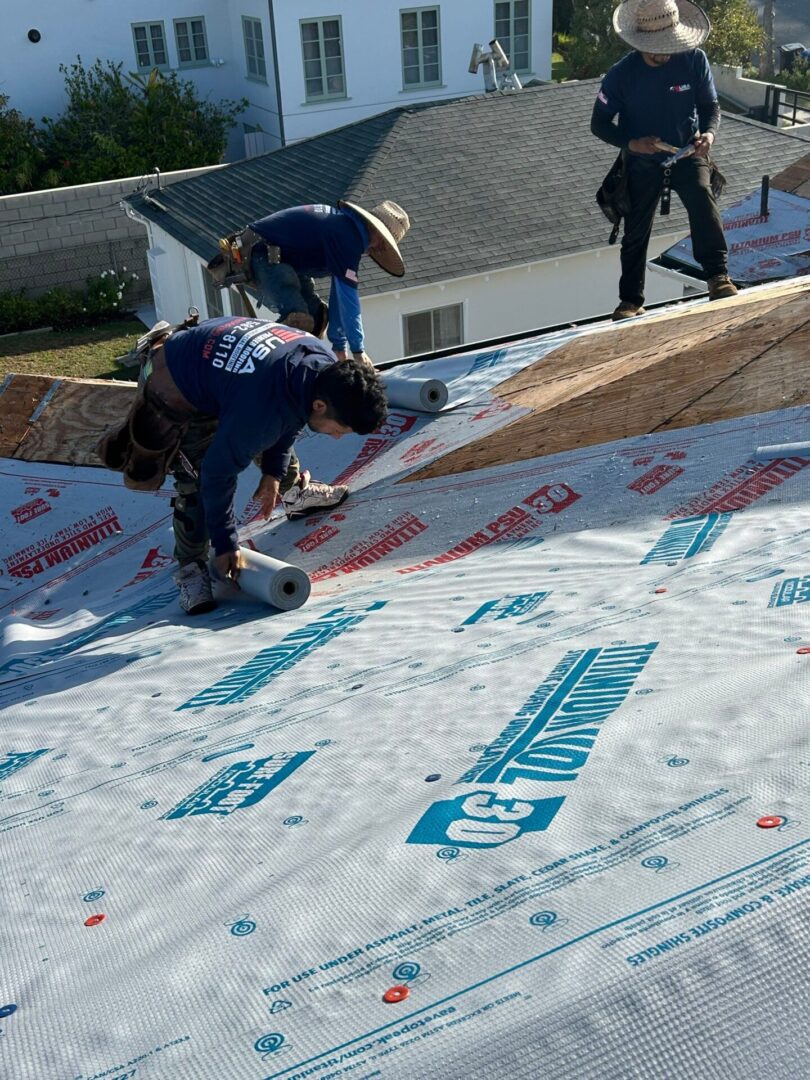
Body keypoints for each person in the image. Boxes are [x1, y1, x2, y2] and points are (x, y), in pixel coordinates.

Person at [98, 317, 388, 615]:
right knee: (196, 479)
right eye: (341, 429)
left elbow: (294, 414)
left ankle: (292, 492)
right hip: (172, 382)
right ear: (321, 406)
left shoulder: (323, 368)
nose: (338, 437)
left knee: (272, 431)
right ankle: (191, 567)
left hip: (227, 375)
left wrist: (273, 474)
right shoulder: (261, 411)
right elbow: (217, 473)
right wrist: (226, 544)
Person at [591, 0, 739, 320]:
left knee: (703, 200)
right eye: (658, 49)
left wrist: (709, 135)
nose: (665, 53)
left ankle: (717, 276)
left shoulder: (694, 60)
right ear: (640, 42)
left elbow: (711, 107)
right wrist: (632, 143)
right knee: (635, 230)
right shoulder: (621, 75)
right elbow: (599, 124)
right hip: (641, 160)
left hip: (687, 151)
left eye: (670, 46)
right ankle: (630, 300)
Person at [246, 199, 410, 368]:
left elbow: (339, 296)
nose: (378, 250)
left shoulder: (346, 230)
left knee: (318, 319)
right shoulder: (347, 238)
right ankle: (260, 365)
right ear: (376, 231)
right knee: (298, 320)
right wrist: (358, 351)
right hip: (262, 253)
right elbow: (348, 300)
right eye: (383, 244)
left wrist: (339, 347)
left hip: (287, 261)